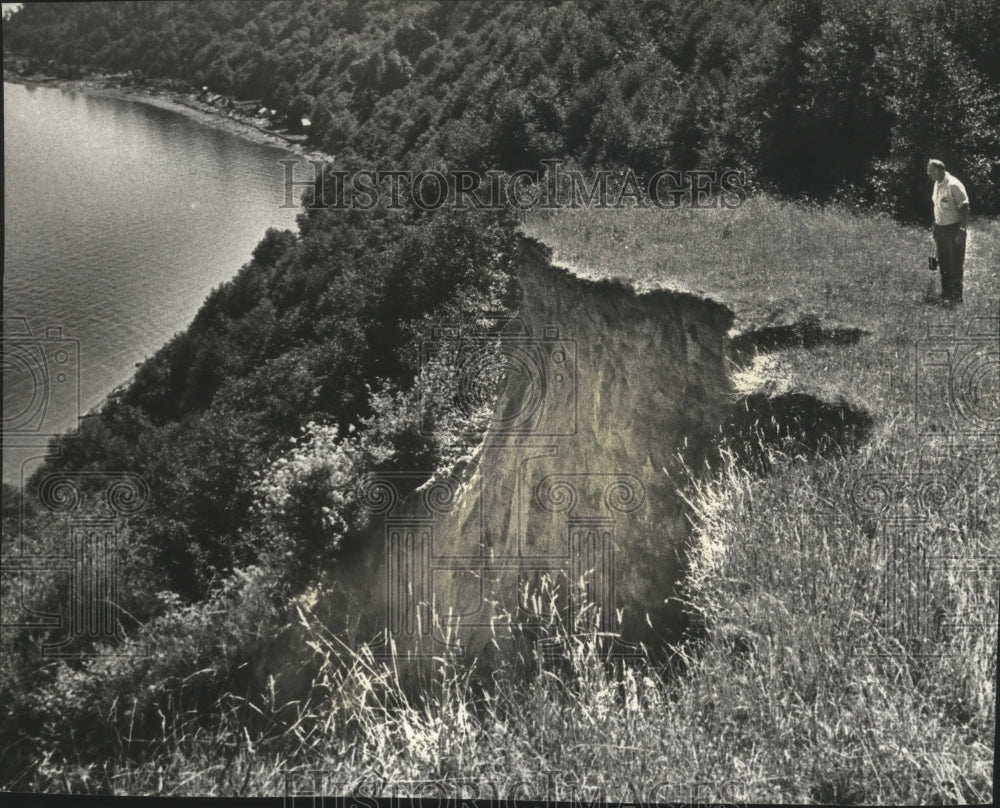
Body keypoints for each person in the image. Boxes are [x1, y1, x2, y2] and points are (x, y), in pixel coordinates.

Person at [926, 159, 970, 306]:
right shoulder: (937, 184)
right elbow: (937, 206)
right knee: (943, 263)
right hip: (940, 228)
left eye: (931, 170)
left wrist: (962, 230)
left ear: (939, 170)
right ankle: (946, 295)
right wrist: (935, 226)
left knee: (955, 264)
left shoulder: (954, 185)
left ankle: (956, 298)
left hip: (954, 229)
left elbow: (964, 207)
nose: (928, 173)